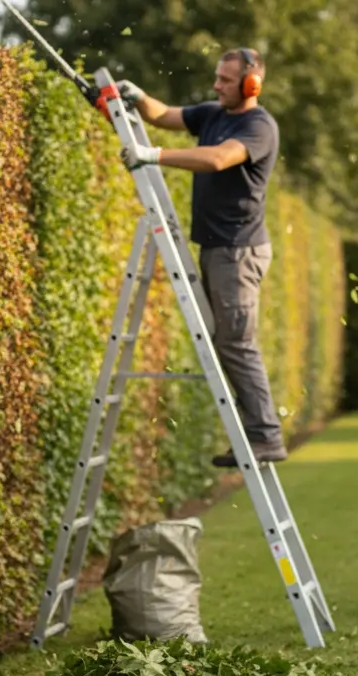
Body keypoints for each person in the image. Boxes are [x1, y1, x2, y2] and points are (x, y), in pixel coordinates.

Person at [115, 48, 287, 467]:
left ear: (251, 85)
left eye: (226, 80)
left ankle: (266, 436)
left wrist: (153, 155)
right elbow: (164, 115)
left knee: (237, 343)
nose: (217, 85)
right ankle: (257, 432)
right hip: (217, 247)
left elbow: (217, 158)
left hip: (238, 251)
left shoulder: (258, 126)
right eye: (218, 77)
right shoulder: (213, 113)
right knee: (226, 342)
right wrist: (134, 98)